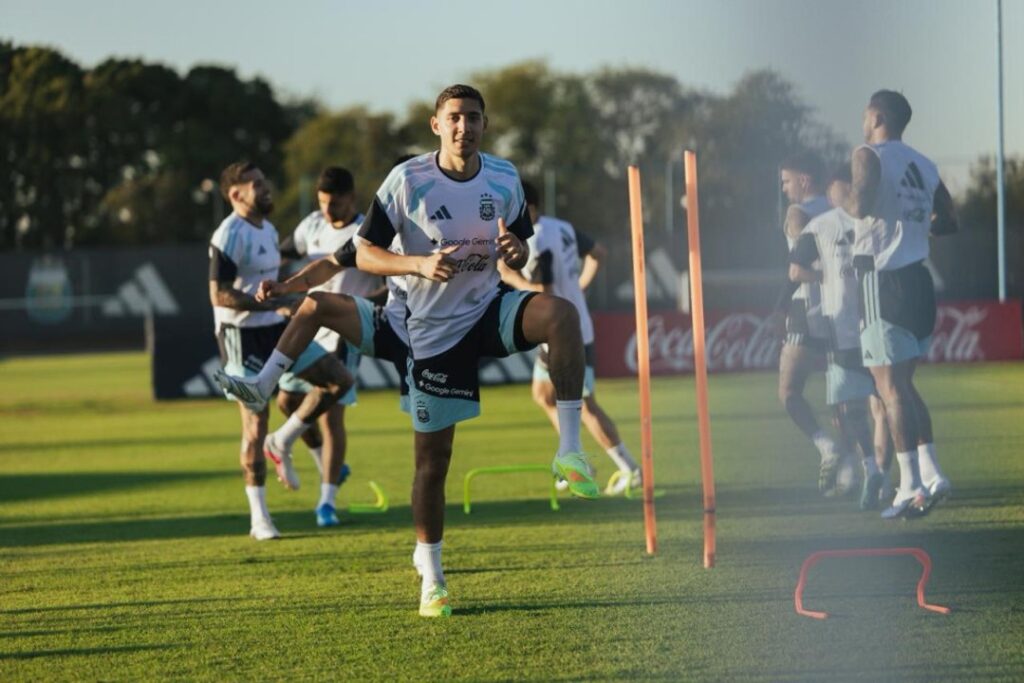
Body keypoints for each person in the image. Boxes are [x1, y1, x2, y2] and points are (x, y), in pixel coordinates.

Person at [215, 85, 597, 618]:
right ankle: (432, 576)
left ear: (485, 124)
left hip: (485, 311)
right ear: (436, 124)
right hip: (421, 332)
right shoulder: (405, 184)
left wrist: (517, 249)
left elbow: (519, 244)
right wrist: (406, 266)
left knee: (562, 314)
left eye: (473, 118)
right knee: (433, 462)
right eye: (454, 118)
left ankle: (570, 451)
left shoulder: (505, 178)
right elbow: (353, 255)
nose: (464, 126)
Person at [208, 161, 353, 540]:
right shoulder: (229, 234)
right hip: (241, 336)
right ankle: (260, 518)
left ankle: (283, 440)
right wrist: (274, 306)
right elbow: (219, 294)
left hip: (275, 329)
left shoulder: (269, 230)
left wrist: (286, 296)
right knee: (255, 424)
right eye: (256, 184)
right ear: (236, 195)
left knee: (338, 381)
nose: (266, 187)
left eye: (264, 179)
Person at [846, 90, 957, 519]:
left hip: (883, 280)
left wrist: (839, 194)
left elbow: (858, 206)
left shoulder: (867, 153)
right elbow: (948, 221)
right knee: (905, 387)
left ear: (876, 115)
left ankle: (908, 487)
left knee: (888, 389)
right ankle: (932, 474)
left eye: (864, 111)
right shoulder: (924, 164)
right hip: (918, 280)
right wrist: (912, 226)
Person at [499, 180, 640, 494]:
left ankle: (631, 469)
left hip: (569, 333)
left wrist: (511, 277)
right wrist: (580, 287)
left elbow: (544, 294)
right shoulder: (560, 226)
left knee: (585, 405)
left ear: (530, 209)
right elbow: (598, 253)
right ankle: (575, 459)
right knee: (543, 394)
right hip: (561, 329)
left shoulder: (536, 241)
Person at [269, 166, 385, 527]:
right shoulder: (312, 226)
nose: (327, 210)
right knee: (287, 401)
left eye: (334, 203)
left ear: (351, 198)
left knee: (333, 413)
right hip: (311, 327)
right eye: (322, 202)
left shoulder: (367, 232)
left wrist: (363, 306)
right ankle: (328, 463)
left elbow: (391, 284)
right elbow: (279, 254)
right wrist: (278, 288)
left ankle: (327, 503)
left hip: (347, 331)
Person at [789, 166, 884, 509]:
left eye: (834, 189)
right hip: (876, 322)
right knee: (887, 401)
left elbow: (795, 270)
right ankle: (896, 473)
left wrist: (824, 276)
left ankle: (873, 470)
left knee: (846, 409)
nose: (832, 195)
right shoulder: (874, 217)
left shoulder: (821, 226)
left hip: (843, 328)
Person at [772, 152, 847, 493]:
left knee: (789, 393)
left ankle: (827, 448)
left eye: (786, 181)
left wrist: (779, 306)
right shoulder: (839, 211)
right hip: (843, 312)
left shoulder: (797, 213)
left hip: (807, 309)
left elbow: (797, 265)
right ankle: (854, 469)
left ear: (804, 180)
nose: (784, 189)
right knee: (844, 397)